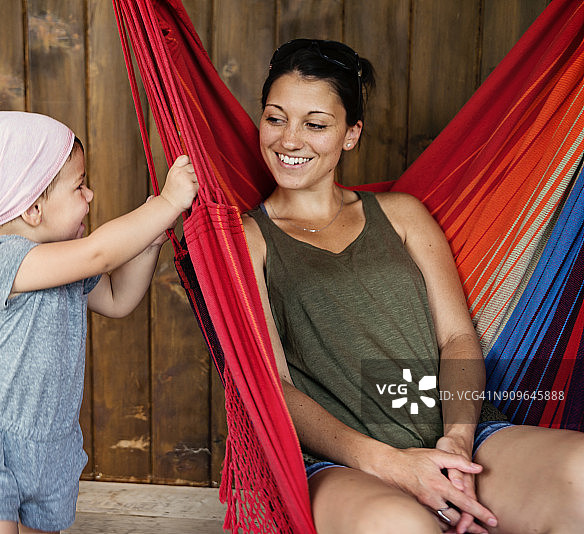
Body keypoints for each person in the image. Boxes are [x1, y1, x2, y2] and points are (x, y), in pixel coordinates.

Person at [241, 39, 584, 534]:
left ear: (351, 134)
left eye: (315, 125)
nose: (289, 140)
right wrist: (394, 465)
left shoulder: (402, 215)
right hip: (343, 463)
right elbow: (274, 385)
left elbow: (457, 339)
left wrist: (458, 443)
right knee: (398, 527)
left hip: (457, 434)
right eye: (275, 118)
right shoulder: (250, 239)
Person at [0, 111, 198, 534]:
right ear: (34, 207)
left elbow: (116, 299)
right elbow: (99, 253)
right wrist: (166, 204)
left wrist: (152, 238)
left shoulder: (65, 261)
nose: (90, 195)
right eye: (79, 186)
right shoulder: (1, 261)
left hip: (51, 447)